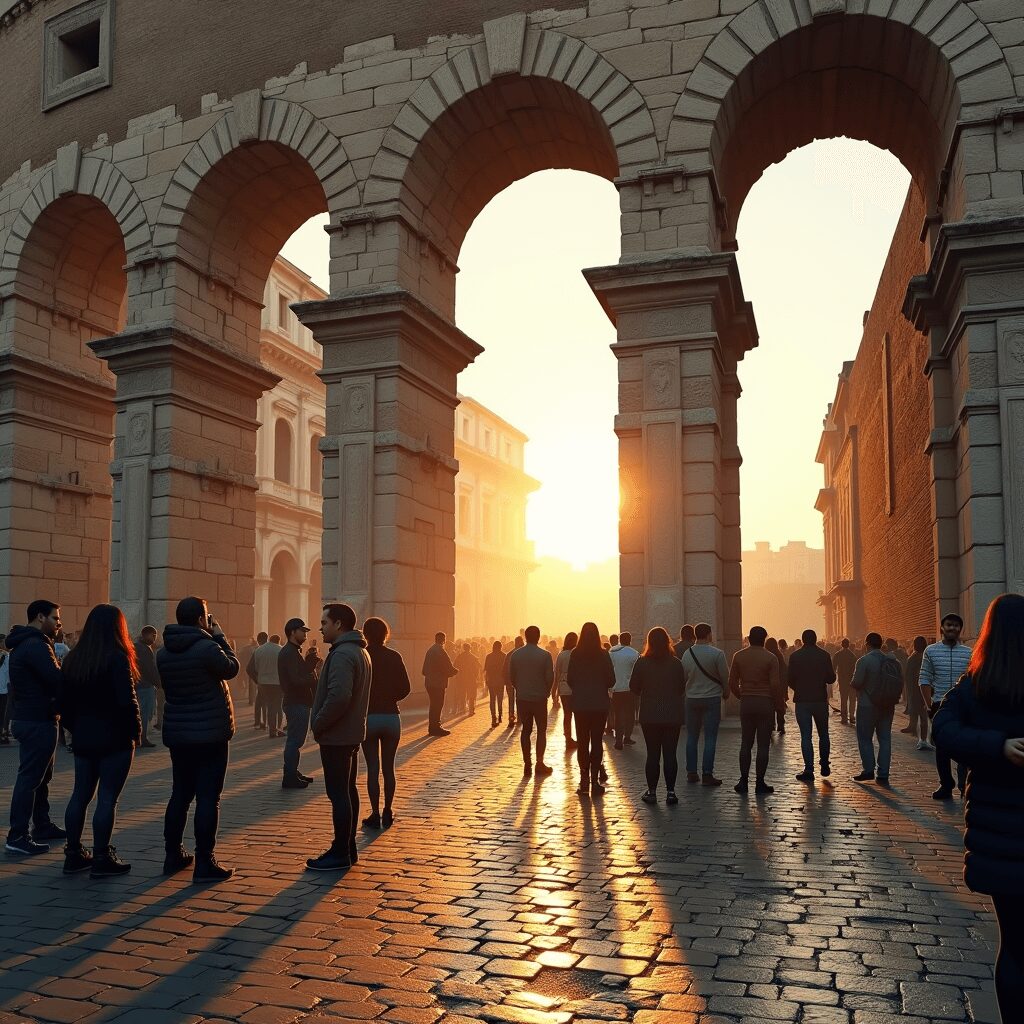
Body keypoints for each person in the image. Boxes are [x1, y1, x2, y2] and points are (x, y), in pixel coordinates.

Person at [932, 593, 1024, 1021]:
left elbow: (943, 730)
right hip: (1006, 838)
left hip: (998, 841)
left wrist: (994, 747)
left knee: (1015, 945)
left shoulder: (977, 682)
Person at [158, 596, 239, 882]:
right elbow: (232, 667)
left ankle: (172, 854)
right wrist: (221, 637)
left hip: (179, 734)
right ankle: (205, 861)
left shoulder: (163, 652)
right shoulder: (207, 647)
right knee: (208, 798)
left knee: (180, 794)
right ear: (201, 619)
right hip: (210, 735)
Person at [59, 604, 141, 877]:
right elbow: (127, 701)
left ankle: (73, 854)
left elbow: (64, 704)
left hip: (84, 737)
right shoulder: (117, 657)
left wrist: (76, 728)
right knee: (107, 799)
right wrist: (136, 732)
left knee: (80, 795)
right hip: (115, 738)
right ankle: (102, 857)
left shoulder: (73, 658)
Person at [307, 603, 372, 872]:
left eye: (324, 622)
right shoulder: (357, 651)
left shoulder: (343, 654)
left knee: (339, 794)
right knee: (348, 791)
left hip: (337, 735)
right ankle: (348, 847)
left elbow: (339, 696)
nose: (321, 627)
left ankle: (340, 851)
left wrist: (318, 723)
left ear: (338, 624)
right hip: (350, 733)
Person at [5, 600, 67, 855]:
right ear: (40, 617)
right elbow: (56, 680)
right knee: (30, 779)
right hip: (37, 720)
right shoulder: (36, 645)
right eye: (55, 619)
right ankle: (17, 835)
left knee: (40, 778)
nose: (59, 624)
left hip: (31, 718)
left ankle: (41, 825)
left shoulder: (26, 643)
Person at [361, 616, 410, 829]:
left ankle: (374, 813)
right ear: (385, 634)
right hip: (391, 717)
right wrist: (391, 698)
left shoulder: (362, 656)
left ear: (366, 634)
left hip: (368, 718)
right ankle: (388, 810)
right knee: (389, 768)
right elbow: (406, 688)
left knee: (372, 767)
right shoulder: (394, 656)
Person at [629, 626, 686, 804]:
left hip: (650, 714)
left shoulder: (642, 663)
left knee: (653, 754)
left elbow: (634, 688)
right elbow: (681, 688)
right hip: (671, 714)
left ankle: (652, 792)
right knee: (670, 754)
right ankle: (670, 792)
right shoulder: (676, 663)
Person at [921, 613, 972, 800]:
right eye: (949, 625)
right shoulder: (931, 651)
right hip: (940, 706)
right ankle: (946, 785)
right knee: (941, 748)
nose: (952, 628)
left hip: (964, 706)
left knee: (965, 745)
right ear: (942, 628)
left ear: (960, 629)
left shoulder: (969, 653)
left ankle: (964, 784)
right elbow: (924, 679)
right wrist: (929, 705)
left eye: (956, 626)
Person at [728, 626, 782, 794]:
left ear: (749, 638)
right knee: (763, 745)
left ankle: (743, 781)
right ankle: (760, 782)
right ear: (764, 639)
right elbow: (774, 685)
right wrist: (778, 705)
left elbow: (732, 682)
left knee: (746, 743)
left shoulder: (739, 656)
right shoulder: (771, 658)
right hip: (765, 703)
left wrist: (742, 695)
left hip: (747, 702)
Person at [567, 622, 615, 796]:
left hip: (580, 704)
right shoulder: (603, 655)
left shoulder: (575, 654)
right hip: (599, 704)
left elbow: (570, 679)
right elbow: (611, 680)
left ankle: (583, 781)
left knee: (582, 742)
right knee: (596, 742)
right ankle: (595, 782)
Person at [680, 622, 728, 786]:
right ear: (709, 635)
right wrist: (727, 692)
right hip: (712, 698)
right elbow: (724, 677)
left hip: (692, 698)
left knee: (692, 737)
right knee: (710, 737)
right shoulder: (717, 654)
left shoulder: (687, 654)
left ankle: (691, 772)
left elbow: (683, 677)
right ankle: (707, 774)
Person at [850, 632, 901, 786]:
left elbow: (857, 682)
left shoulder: (864, 661)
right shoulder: (893, 661)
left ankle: (868, 770)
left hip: (867, 704)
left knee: (865, 738)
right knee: (885, 739)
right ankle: (883, 773)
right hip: (887, 705)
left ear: (867, 644)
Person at [786, 628, 835, 782]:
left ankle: (809, 769)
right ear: (815, 639)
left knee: (806, 736)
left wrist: (799, 688)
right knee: (823, 734)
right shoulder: (824, 655)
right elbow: (831, 678)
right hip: (820, 699)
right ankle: (825, 763)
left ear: (803, 639)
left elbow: (789, 679)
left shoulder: (795, 656)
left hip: (802, 700)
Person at [507, 625, 555, 777]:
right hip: (540, 698)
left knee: (525, 731)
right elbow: (549, 677)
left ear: (525, 637)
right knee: (541, 730)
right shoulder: (545, 655)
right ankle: (539, 763)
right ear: (539, 637)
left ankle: (527, 763)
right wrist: (547, 692)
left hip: (522, 698)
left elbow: (512, 677)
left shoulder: (516, 655)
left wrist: (520, 688)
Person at [278, 618, 318, 790]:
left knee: (295, 740)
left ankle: (293, 772)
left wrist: (309, 663)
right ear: (293, 632)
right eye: (302, 631)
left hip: (297, 701)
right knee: (295, 741)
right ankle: (289, 777)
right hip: (296, 702)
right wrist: (313, 678)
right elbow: (295, 680)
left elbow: (299, 674)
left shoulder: (293, 651)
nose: (305, 634)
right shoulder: (289, 652)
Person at [249, 632, 284, 737]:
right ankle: (275, 729)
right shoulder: (281, 650)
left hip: (263, 683)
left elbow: (251, 668)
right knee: (276, 706)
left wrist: (257, 680)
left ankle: (270, 727)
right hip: (277, 683)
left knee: (267, 705)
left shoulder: (259, 650)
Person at [608, 632, 639, 750]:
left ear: (620, 640)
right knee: (630, 714)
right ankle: (627, 737)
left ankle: (618, 739)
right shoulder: (634, 653)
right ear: (630, 640)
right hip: (630, 689)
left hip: (616, 688)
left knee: (618, 714)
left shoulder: (612, 652)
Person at [422, 631, 457, 737]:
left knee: (433, 705)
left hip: (429, 683)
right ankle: (436, 727)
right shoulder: (440, 651)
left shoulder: (430, 650)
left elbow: (424, 670)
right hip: (438, 683)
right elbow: (447, 667)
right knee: (438, 705)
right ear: (443, 640)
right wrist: (455, 671)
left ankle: (432, 727)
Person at [133, 625, 160, 748]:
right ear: (145, 635)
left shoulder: (136, 646)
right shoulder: (144, 649)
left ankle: (138, 737)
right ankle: (142, 738)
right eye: (152, 635)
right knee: (145, 713)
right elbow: (150, 669)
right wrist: (158, 683)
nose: (154, 638)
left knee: (139, 713)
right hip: (145, 685)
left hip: (137, 684)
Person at [905, 635, 931, 750]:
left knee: (917, 713)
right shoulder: (927, 657)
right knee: (924, 715)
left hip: (915, 690)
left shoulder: (912, 658)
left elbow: (908, 676)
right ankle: (925, 738)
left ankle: (920, 738)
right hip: (926, 689)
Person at [554, 632, 577, 749]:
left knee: (567, 714)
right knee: (577, 714)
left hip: (563, 687)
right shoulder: (577, 654)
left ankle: (568, 737)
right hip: (576, 688)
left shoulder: (561, 655)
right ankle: (579, 737)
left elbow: (556, 673)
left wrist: (554, 691)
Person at [247, 632, 270, 730]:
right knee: (270, 703)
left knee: (260, 702)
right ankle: (268, 723)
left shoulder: (257, 651)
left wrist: (256, 679)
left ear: (258, 640)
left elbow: (249, 668)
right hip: (274, 682)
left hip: (262, 681)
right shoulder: (276, 649)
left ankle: (260, 722)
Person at [832, 638, 857, 724]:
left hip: (842, 680)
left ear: (841, 645)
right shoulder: (852, 655)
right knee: (852, 699)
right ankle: (852, 716)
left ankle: (844, 717)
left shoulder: (838, 654)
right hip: (851, 679)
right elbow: (855, 669)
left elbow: (833, 668)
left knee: (844, 699)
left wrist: (833, 677)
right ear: (849, 645)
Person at [765, 637, 787, 734]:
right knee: (779, 706)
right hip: (779, 685)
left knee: (769, 706)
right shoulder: (779, 656)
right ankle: (781, 725)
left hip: (767, 686)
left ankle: (771, 724)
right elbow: (784, 672)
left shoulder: (765, 656)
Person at [503, 636, 524, 728]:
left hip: (510, 680)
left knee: (511, 700)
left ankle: (511, 718)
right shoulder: (524, 654)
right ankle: (519, 718)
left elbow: (504, 669)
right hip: (520, 681)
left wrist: (506, 681)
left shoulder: (509, 654)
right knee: (519, 700)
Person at [484, 640, 506, 728]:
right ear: (501, 647)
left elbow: (486, 669)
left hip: (491, 681)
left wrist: (486, 680)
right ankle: (500, 715)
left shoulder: (489, 656)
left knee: (492, 699)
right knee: (500, 699)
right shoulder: (504, 656)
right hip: (500, 681)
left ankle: (493, 716)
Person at [455, 643, 480, 716]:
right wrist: (476, 677)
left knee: (462, 694)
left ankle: (462, 709)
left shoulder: (459, 657)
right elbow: (478, 668)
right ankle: (471, 710)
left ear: (463, 648)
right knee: (471, 695)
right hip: (471, 679)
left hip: (461, 679)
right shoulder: (474, 657)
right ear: (470, 648)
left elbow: (455, 666)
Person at [0, 633, 10, 745]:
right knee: (2, 713)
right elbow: (9, 673)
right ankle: (2, 735)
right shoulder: (6, 656)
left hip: (3, 688)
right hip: (3, 689)